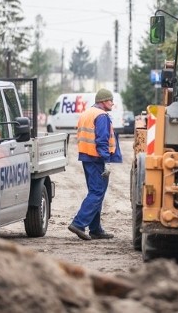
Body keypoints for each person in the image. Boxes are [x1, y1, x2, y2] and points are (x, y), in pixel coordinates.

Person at [68, 88, 118, 240]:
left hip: (86, 157)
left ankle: (95, 229)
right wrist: (106, 160)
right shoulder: (101, 116)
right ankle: (78, 223)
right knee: (97, 193)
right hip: (97, 159)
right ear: (103, 101)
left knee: (96, 192)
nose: (112, 103)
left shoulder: (87, 113)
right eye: (110, 100)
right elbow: (102, 140)